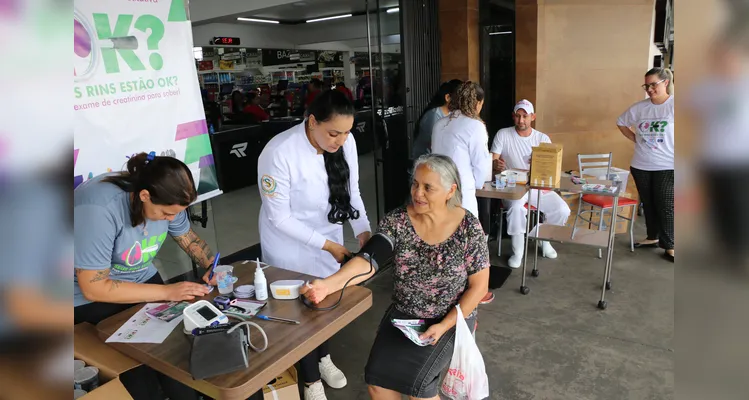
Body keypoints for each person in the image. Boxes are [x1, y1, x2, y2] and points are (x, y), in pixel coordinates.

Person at [301, 154, 490, 400]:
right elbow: (369, 259)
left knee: (418, 387)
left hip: (450, 317)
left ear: (449, 190)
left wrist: (444, 325)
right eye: (415, 184)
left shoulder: (468, 227)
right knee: (378, 383)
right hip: (404, 316)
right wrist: (327, 286)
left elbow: (479, 287)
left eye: (428, 187)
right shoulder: (397, 221)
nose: (417, 193)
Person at [257, 89, 372, 400]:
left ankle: (323, 358)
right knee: (298, 312)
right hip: (288, 245)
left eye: (347, 133)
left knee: (324, 304)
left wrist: (363, 231)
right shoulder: (279, 152)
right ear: (312, 122)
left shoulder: (344, 142)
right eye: (334, 133)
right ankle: (310, 381)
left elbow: (353, 192)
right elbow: (279, 218)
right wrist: (330, 247)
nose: (341, 140)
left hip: (328, 236)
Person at [74, 152, 215, 400]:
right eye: (165, 214)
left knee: (176, 360)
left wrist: (212, 265)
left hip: (140, 277)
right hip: (87, 297)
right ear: (144, 196)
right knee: (139, 376)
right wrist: (167, 292)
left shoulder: (169, 198)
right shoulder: (98, 209)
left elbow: (187, 238)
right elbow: (93, 287)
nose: (171, 219)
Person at [491, 100, 571, 269]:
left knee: (562, 210)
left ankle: (543, 240)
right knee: (516, 208)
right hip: (512, 185)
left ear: (532, 117)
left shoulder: (542, 138)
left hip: (537, 185)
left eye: (525, 116)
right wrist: (495, 164)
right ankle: (517, 250)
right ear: (513, 116)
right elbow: (493, 159)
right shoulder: (503, 134)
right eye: (518, 116)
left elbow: (552, 165)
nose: (521, 121)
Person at [617, 68, 675, 262]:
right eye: (646, 85)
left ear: (665, 82)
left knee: (665, 204)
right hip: (641, 165)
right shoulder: (640, 108)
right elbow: (621, 123)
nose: (649, 89)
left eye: (653, 85)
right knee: (649, 204)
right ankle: (653, 237)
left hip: (668, 165)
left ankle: (670, 244)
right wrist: (636, 139)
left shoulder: (674, 105)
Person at [431, 81, 492, 219]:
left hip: (438, 190)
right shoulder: (475, 126)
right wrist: (477, 184)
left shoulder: (439, 124)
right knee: (464, 236)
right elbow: (481, 165)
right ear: (478, 103)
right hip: (462, 193)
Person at [411, 79, 463, 159]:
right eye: (461, 98)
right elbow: (438, 145)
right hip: (425, 164)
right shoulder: (433, 116)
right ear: (448, 97)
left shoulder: (452, 114)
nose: (463, 102)